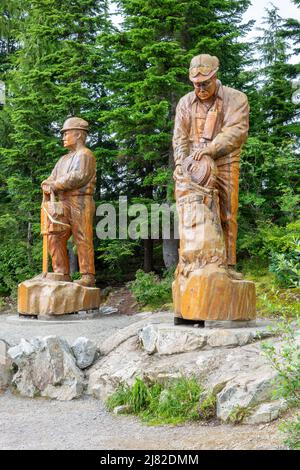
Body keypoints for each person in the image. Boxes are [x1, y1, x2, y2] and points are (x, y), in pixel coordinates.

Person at [173, 54, 249, 279]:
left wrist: (211, 149)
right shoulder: (185, 102)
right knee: (191, 210)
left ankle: (227, 265)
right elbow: (180, 136)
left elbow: (236, 131)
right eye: (196, 84)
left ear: (215, 76)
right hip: (193, 164)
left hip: (224, 159)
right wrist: (180, 162)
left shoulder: (236, 98)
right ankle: (194, 261)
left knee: (226, 212)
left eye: (205, 83)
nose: (200, 88)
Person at [41, 117, 96, 287]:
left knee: (82, 237)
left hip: (81, 202)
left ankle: (87, 275)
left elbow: (78, 177)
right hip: (63, 202)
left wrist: (55, 185)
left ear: (79, 134)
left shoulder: (85, 155)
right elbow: (52, 177)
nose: (63, 137)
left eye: (66, 133)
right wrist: (46, 183)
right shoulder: (62, 160)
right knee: (55, 235)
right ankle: (61, 272)